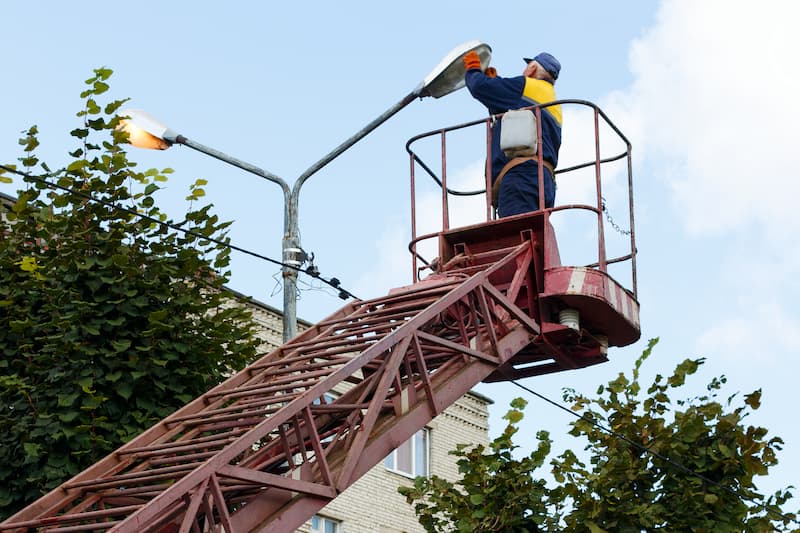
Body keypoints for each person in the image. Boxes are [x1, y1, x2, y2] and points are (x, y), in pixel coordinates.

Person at [463, 50, 563, 217]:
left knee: (516, 235)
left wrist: (473, 69)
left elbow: (479, 87)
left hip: (521, 179)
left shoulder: (528, 86)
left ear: (531, 69)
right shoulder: (551, 101)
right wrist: (495, 82)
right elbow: (508, 108)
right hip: (543, 182)